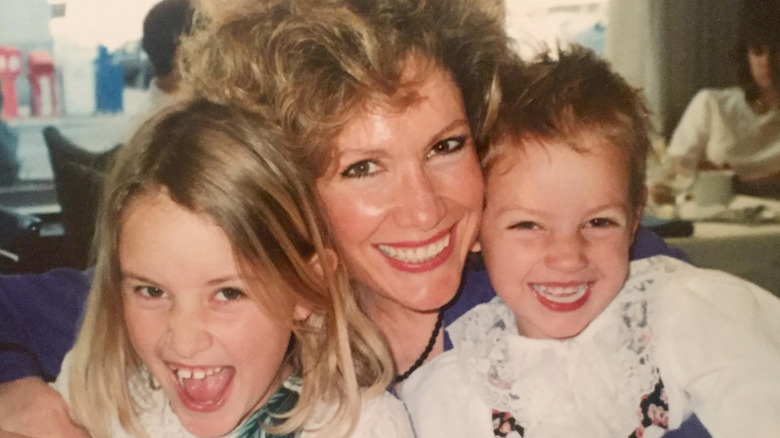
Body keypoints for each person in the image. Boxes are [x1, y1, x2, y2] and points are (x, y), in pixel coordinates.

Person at [0, 0, 694, 436]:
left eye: (445, 147)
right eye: (362, 167)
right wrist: (15, 392)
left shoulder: (552, 280)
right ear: (284, 186)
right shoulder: (209, 295)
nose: (424, 207)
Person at [401, 46, 780, 437]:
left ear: (635, 222)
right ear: (476, 227)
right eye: (528, 226)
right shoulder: (458, 386)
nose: (568, 257)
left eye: (599, 222)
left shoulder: (686, 315)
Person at [54, 97, 413, 437]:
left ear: (306, 287)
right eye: (151, 291)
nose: (185, 341)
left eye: (228, 293)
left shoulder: (362, 428)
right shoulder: (96, 398)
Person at [652, 0, 780, 200]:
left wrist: (734, 182)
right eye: (757, 51)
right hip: (717, 222)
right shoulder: (712, 104)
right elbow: (673, 174)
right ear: (745, 55)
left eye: (777, 50)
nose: (767, 62)